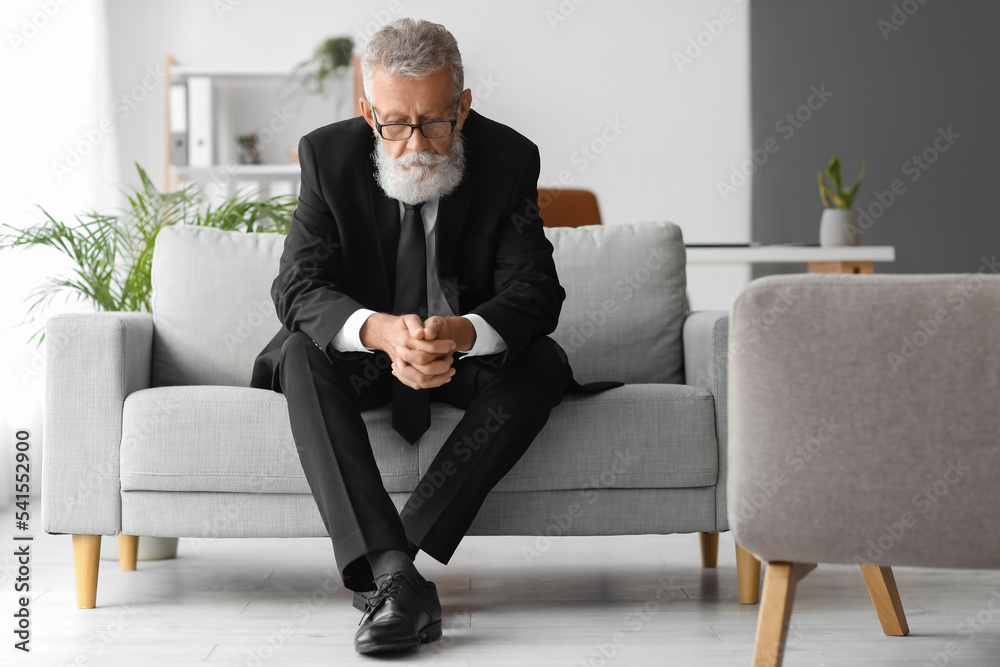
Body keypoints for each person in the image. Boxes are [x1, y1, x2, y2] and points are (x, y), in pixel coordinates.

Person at [249, 17, 618, 655]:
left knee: (545, 362)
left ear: (463, 106)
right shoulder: (325, 156)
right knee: (299, 354)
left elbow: (535, 293)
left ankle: (397, 564)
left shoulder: (509, 158)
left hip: (459, 361)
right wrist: (381, 332)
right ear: (368, 113)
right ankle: (397, 576)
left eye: (436, 122)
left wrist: (458, 333)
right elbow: (297, 288)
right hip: (364, 362)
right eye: (394, 123)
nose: (416, 142)